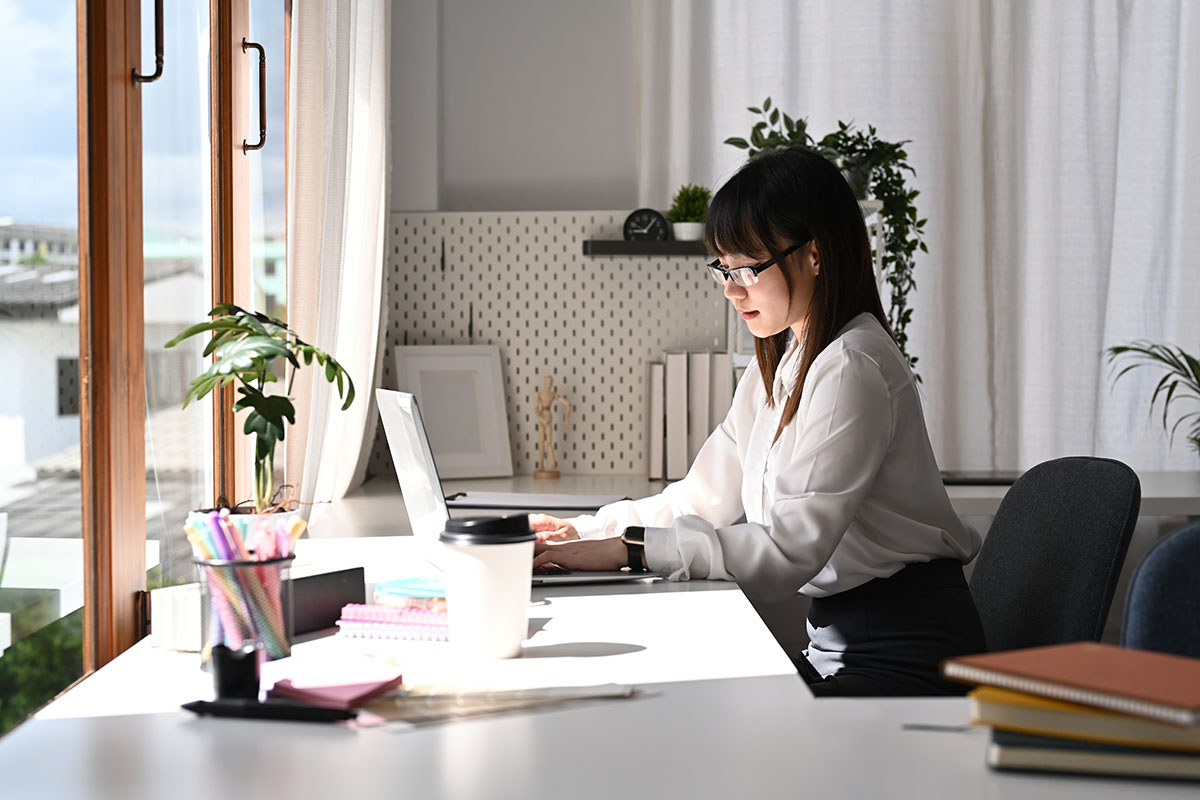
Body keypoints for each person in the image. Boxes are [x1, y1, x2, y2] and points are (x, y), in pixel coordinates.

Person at [531, 148, 986, 697]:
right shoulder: (783, 362)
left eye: (747, 268)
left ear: (814, 254)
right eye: (722, 268)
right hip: (841, 640)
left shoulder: (851, 366)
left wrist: (633, 551)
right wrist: (582, 530)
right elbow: (701, 498)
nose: (729, 288)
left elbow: (789, 549)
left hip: (903, 653)